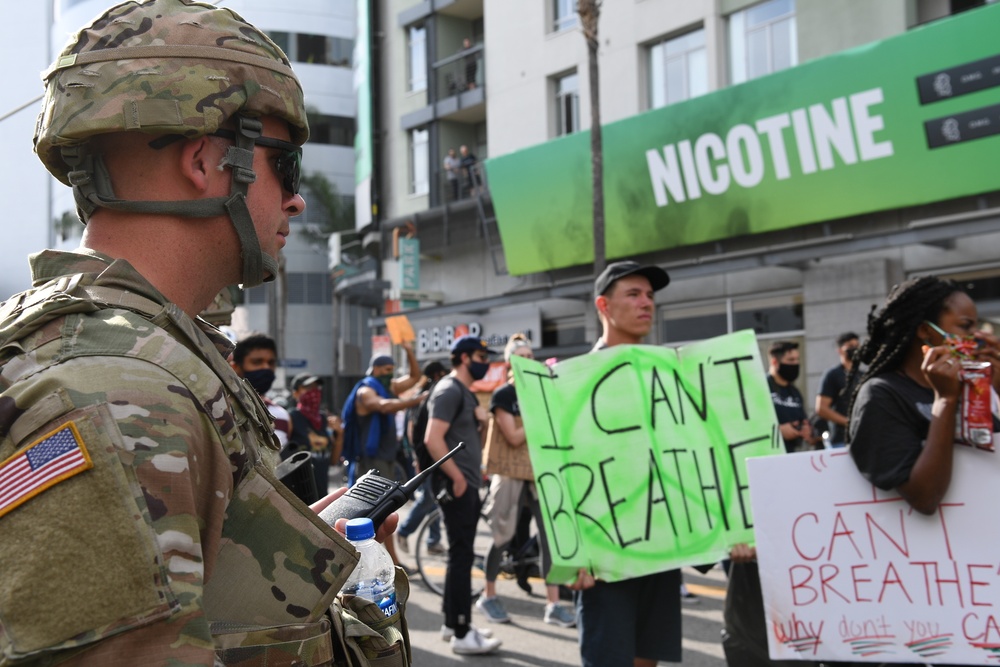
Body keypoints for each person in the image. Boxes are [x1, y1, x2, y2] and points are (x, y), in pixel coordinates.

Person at [0, 1, 399, 664]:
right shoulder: (118, 395)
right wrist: (367, 602)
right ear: (208, 161)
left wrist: (295, 552)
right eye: (285, 168)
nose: (295, 199)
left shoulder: (117, 351)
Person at [570, 260, 679, 667]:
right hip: (605, 553)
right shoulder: (572, 381)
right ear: (604, 305)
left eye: (650, 295)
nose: (646, 303)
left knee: (646, 659)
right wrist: (571, 552)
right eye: (633, 294)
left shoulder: (667, 377)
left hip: (664, 547)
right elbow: (557, 473)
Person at [848, 275, 1000, 516]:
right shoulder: (882, 394)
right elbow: (925, 497)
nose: (978, 337)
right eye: (965, 326)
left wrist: (995, 391)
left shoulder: (970, 386)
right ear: (926, 331)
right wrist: (945, 401)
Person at [477, 333, 577, 628]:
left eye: (532, 356)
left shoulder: (540, 391)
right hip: (510, 472)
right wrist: (540, 417)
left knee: (550, 537)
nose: (529, 361)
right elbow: (513, 436)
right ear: (510, 362)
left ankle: (554, 603)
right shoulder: (505, 395)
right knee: (502, 534)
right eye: (524, 357)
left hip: (538, 471)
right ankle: (488, 594)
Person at [425, 335, 503, 655]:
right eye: (480, 355)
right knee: (462, 558)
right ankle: (461, 631)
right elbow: (433, 438)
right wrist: (457, 477)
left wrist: (482, 424)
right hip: (459, 486)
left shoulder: (465, 393)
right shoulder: (448, 389)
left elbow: (468, 438)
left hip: (469, 483)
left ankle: (450, 624)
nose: (485, 361)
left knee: (461, 555)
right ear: (464, 357)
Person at [341, 344, 422, 485]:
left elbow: (414, 377)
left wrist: (409, 350)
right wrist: (414, 401)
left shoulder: (389, 387)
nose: (390, 374)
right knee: (374, 499)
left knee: (386, 498)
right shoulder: (366, 391)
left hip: (388, 453)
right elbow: (384, 406)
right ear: (376, 370)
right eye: (387, 370)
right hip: (371, 455)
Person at [396, 361, 449, 556]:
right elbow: (413, 430)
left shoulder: (431, 394)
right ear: (436, 375)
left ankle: (433, 541)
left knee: (434, 498)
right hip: (428, 456)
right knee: (429, 497)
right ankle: (404, 531)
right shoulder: (425, 397)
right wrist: (417, 458)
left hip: (432, 455)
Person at [231, 333, 291, 449]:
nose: (266, 368)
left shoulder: (280, 414)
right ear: (236, 367)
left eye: (271, 363)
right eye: (257, 362)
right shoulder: (223, 408)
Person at [287, 373, 334, 495]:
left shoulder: (323, 419)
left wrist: (340, 435)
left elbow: (332, 460)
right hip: (299, 492)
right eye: (307, 388)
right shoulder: (291, 418)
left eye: (316, 388)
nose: (313, 392)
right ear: (295, 393)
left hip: (321, 489)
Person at [814, 331, 860, 448]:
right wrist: (848, 422)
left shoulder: (862, 375)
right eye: (850, 346)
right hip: (840, 440)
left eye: (856, 345)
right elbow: (821, 408)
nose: (854, 349)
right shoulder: (833, 375)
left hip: (861, 437)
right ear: (839, 349)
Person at [767, 340, 812, 453]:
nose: (795, 364)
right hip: (768, 454)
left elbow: (803, 420)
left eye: (797, 359)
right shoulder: (761, 388)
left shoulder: (795, 392)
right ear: (775, 362)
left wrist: (806, 430)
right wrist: (778, 430)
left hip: (793, 454)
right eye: (791, 360)